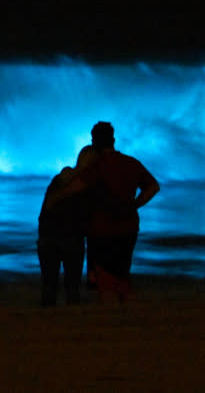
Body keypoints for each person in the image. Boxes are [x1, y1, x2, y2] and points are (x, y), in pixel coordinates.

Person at [48, 121, 160, 303]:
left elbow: (74, 188)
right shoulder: (131, 163)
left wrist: (54, 198)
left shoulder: (97, 166)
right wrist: (135, 205)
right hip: (129, 229)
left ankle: (111, 316)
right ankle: (127, 318)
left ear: (93, 141)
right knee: (122, 276)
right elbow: (153, 187)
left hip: (102, 231)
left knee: (104, 282)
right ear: (113, 140)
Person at [36, 155, 95, 306]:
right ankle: (69, 319)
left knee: (50, 285)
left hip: (49, 236)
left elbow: (48, 207)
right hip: (70, 238)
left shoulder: (61, 178)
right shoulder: (84, 183)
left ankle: (48, 320)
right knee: (72, 286)